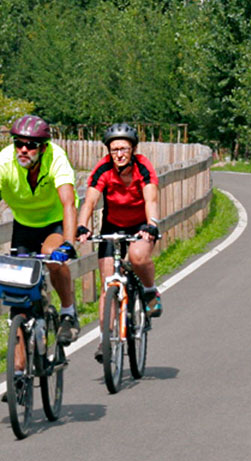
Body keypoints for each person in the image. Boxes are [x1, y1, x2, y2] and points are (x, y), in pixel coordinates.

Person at [0, 114, 80, 345]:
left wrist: (69, 244)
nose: (23, 149)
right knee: (17, 293)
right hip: (24, 225)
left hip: (55, 220)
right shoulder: (3, 162)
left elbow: (68, 202)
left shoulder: (56, 157)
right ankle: (19, 372)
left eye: (31, 145)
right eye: (18, 143)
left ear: (42, 148)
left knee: (52, 256)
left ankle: (69, 311)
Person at [76, 123, 162, 363]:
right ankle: (106, 337)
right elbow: (90, 201)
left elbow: (152, 199)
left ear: (133, 149)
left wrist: (152, 224)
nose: (119, 154)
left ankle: (148, 290)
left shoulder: (143, 166)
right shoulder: (103, 168)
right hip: (112, 226)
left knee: (137, 257)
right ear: (109, 151)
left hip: (141, 225)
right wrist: (83, 226)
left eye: (124, 148)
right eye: (114, 150)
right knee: (107, 282)